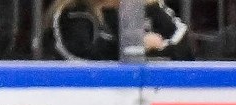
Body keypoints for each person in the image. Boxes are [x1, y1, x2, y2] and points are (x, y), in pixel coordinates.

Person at [43, 0, 188, 61]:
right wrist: (136, 46)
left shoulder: (149, 6)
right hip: (85, 98)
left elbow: (183, 44)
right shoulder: (73, 12)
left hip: (152, 92)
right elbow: (78, 56)